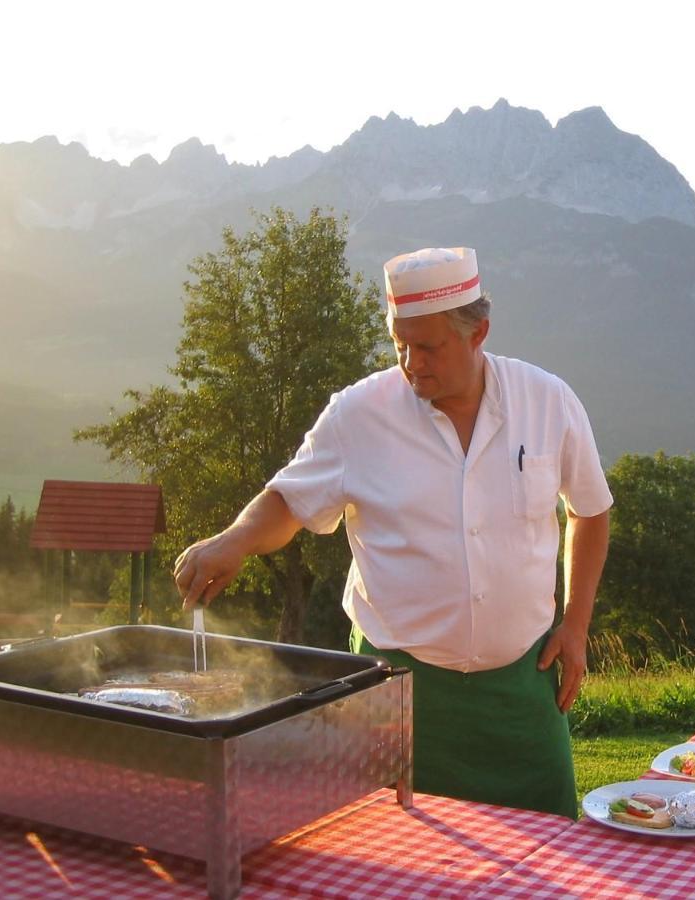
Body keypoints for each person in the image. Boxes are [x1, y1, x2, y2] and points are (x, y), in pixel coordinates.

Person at [173, 246, 611, 819]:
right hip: (395, 692)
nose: (411, 362)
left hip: (522, 695)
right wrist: (235, 538)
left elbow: (591, 509)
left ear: (479, 332)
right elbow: (289, 500)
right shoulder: (359, 414)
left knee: (553, 863)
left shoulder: (547, 401)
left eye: (428, 347)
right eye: (399, 343)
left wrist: (575, 624)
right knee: (393, 861)